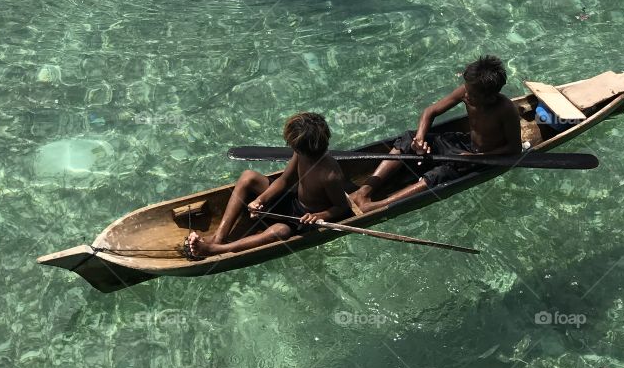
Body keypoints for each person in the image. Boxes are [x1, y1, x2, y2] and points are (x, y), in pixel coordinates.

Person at [350, 55, 522, 213]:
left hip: (483, 158)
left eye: (473, 94)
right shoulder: (468, 91)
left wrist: (476, 157)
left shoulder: (505, 110)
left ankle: (377, 206)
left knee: (441, 174)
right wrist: (419, 139)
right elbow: (430, 111)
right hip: (464, 144)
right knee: (408, 138)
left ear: (490, 97)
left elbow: (514, 149)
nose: (466, 95)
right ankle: (364, 191)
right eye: (467, 90)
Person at [183, 112, 351, 260]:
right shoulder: (301, 155)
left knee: (280, 232)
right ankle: (219, 237)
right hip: (292, 202)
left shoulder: (330, 175)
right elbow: (284, 181)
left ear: (302, 148)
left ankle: (217, 249)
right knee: (248, 176)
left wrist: (318, 215)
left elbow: (341, 207)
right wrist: (260, 199)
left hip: (303, 220)